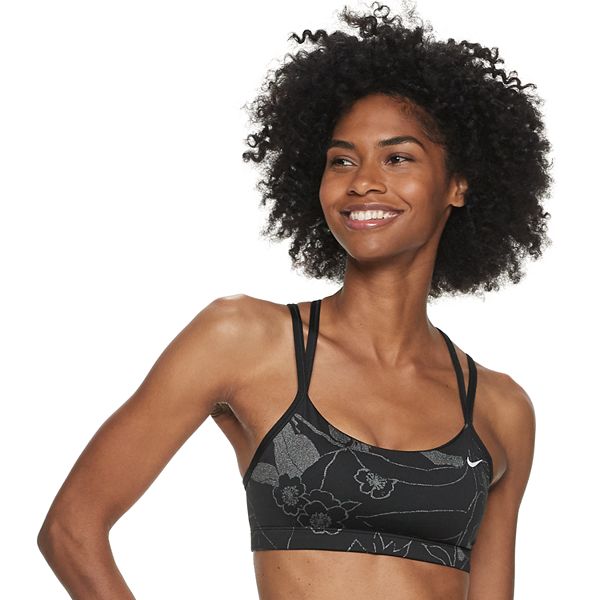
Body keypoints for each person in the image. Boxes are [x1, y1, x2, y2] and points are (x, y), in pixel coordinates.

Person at [37, 2, 551, 599]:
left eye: (398, 157)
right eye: (342, 160)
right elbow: (71, 530)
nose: (364, 181)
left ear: (457, 184)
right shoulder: (245, 339)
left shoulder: (500, 407)